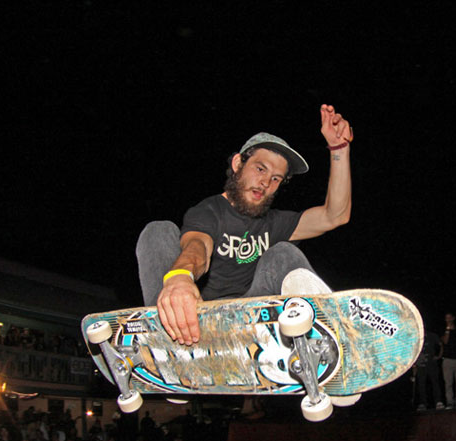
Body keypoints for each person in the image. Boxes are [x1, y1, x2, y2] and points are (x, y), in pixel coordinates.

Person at [137, 105, 353, 345]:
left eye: (276, 179)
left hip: (252, 321)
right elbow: (197, 246)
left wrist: (340, 149)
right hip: (198, 319)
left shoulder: (276, 223)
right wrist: (180, 277)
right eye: (260, 169)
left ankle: (321, 337)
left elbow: (335, 215)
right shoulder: (210, 211)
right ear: (238, 164)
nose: (265, 182)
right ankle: (162, 336)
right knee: (157, 230)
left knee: (283, 252)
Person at [414, 329, 444, 411]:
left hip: (431, 363)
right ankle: (422, 403)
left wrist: (439, 356)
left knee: (435, 382)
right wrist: (414, 364)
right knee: (421, 384)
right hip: (420, 364)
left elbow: (441, 345)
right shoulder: (415, 336)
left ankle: (438, 401)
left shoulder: (432, 335)